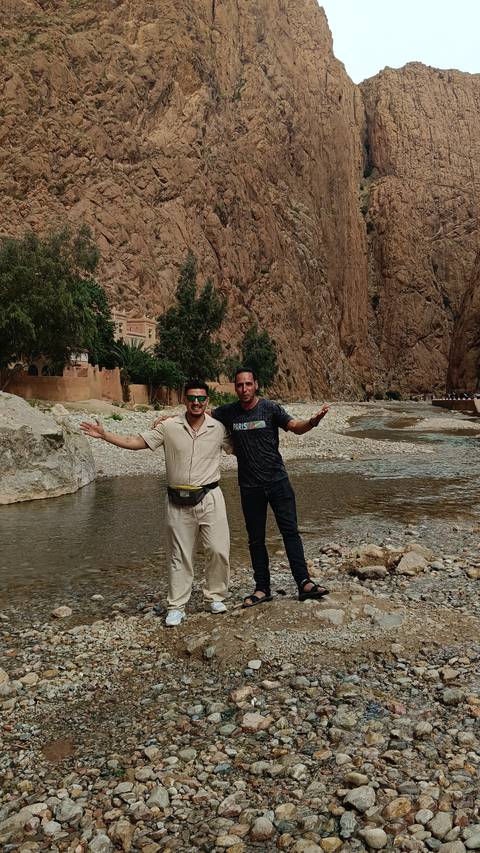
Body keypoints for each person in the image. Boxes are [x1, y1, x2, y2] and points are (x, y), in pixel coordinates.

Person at [80, 380, 232, 627]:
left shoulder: (218, 428)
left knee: (218, 549)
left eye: (201, 399)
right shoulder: (168, 427)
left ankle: (215, 596)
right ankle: (177, 606)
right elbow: (136, 442)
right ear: (184, 399)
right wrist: (105, 435)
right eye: (191, 398)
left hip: (211, 497)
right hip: (177, 500)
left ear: (207, 401)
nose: (196, 402)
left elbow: (240, 447)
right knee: (178, 556)